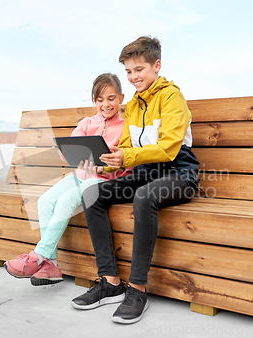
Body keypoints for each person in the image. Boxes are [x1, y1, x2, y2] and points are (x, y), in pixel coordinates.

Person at [71, 36, 200, 324]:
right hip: (145, 172)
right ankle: (110, 282)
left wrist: (127, 158)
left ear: (156, 66)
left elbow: (168, 148)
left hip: (179, 173)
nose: (133, 77)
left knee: (144, 196)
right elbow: (126, 149)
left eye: (138, 70)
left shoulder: (172, 98)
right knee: (92, 194)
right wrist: (99, 167)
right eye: (128, 71)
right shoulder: (135, 106)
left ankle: (138, 289)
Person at [4, 73, 132, 286]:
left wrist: (107, 161)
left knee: (66, 200)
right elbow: (66, 153)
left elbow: (127, 158)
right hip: (80, 175)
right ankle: (50, 265)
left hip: (104, 180)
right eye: (100, 100)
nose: (105, 104)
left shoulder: (126, 126)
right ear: (94, 101)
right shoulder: (86, 123)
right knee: (45, 200)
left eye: (111, 98)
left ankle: (38, 256)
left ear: (121, 97)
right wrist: (77, 156)